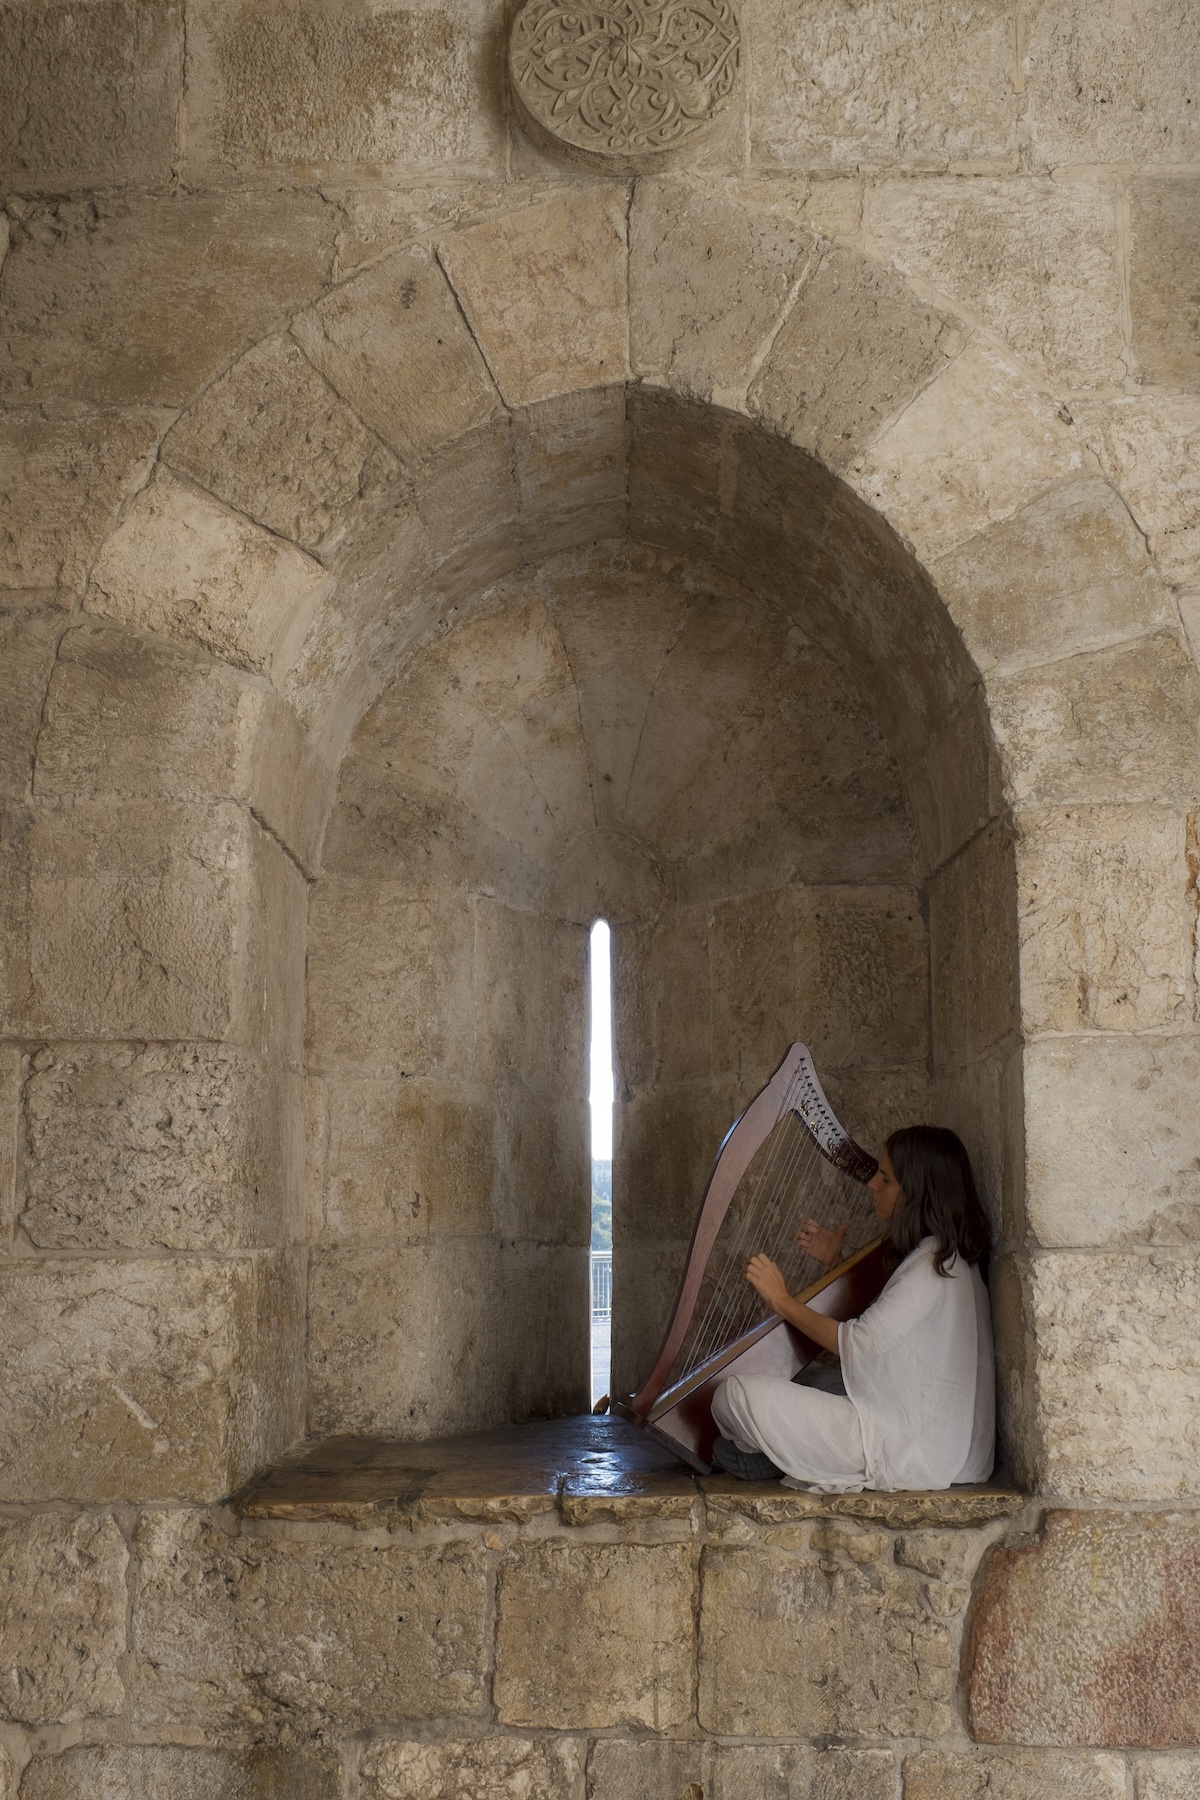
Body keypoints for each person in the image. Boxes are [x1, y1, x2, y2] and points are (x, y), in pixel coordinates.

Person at [709, 1125, 995, 1492]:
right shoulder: (945, 1257)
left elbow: (858, 1343)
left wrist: (781, 1299)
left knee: (732, 1394)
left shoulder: (931, 1265)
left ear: (916, 1192)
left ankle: (776, 1454)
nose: (872, 1185)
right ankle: (777, 1452)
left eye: (886, 1179)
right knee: (800, 1381)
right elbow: (887, 1335)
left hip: (908, 1446)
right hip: (927, 1435)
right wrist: (836, 1263)